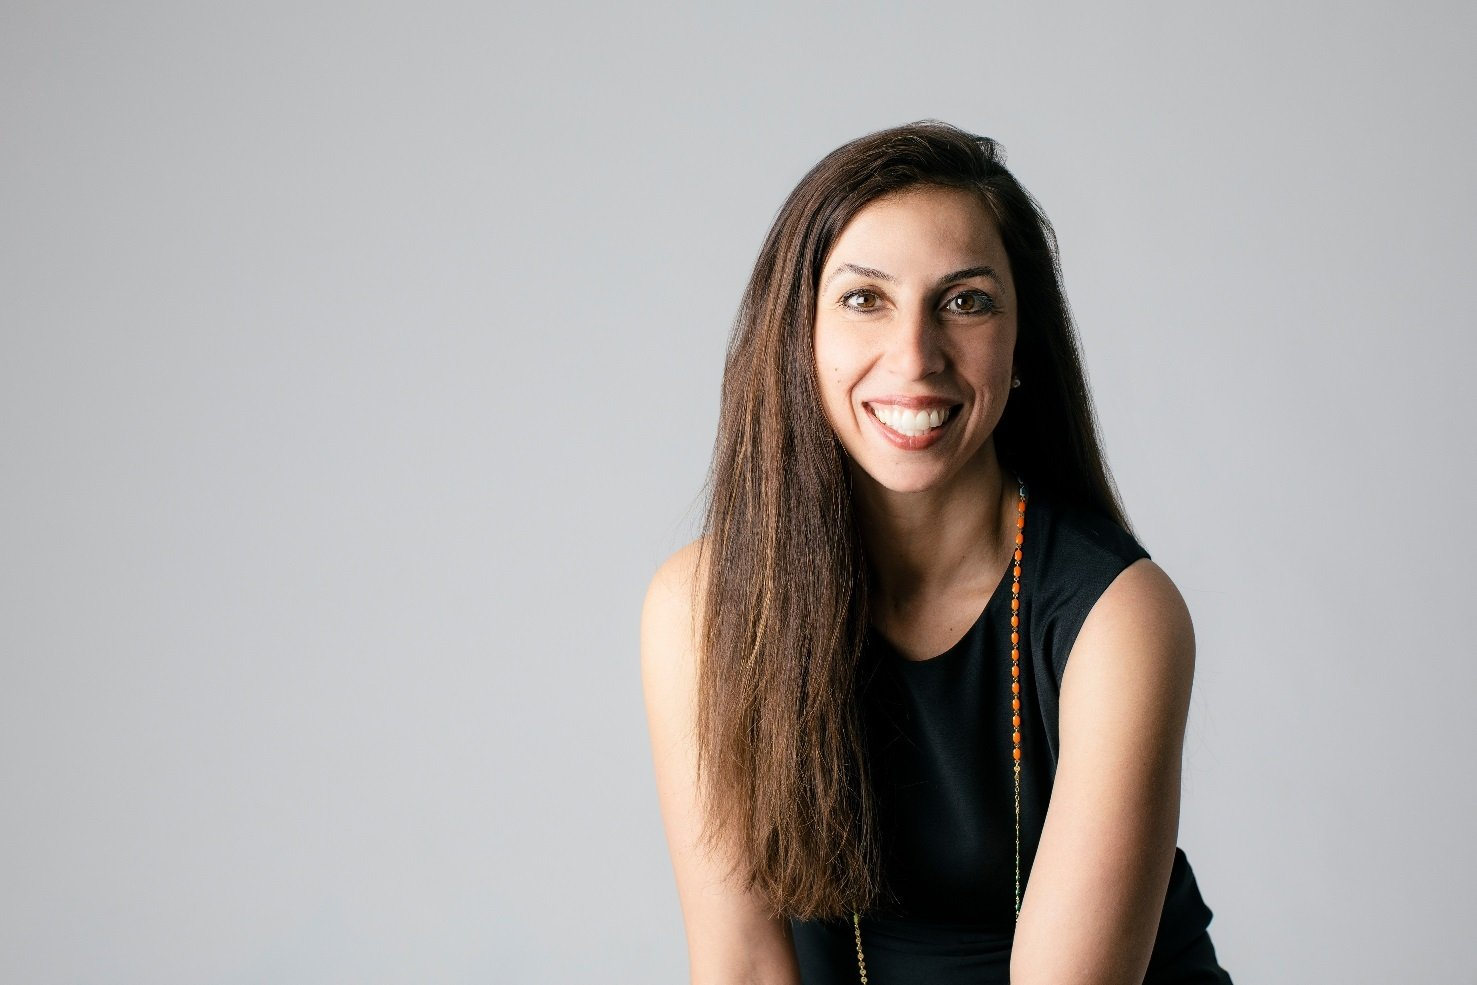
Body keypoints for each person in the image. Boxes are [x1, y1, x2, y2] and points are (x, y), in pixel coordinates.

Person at [641, 121, 1233, 985]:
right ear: (798, 336)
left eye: (965, 302)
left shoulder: (1119, 617)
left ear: (1020, 343)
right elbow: (742, 967)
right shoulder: (699, 608)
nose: (914, 357)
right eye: (863, 299)